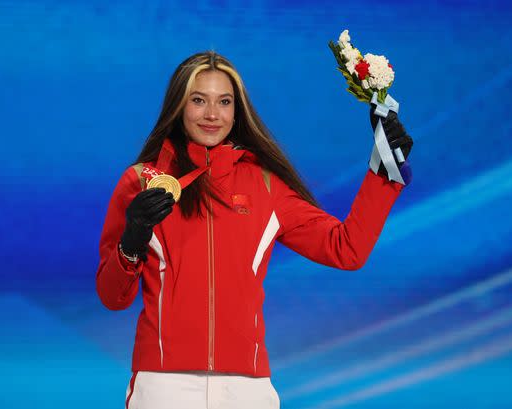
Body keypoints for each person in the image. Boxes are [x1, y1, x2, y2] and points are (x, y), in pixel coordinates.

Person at [95, 51, 413, 409]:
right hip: (164, 384)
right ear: (179, 106)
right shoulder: (143, 181)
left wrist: (384, 172)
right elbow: (112, 296)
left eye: (224, 102)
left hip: (246, 390)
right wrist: (131, 238)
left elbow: (346, 248)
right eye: (198, 100)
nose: (213, 114)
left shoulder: (265, 185)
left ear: (237, 110)